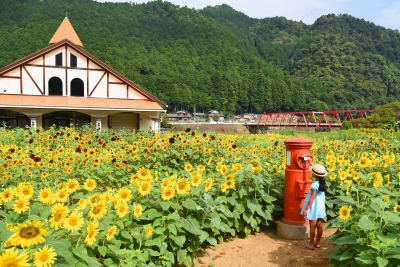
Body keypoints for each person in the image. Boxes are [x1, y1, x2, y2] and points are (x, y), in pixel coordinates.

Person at [300, 164, 327, 250]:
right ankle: (317, 243)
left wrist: (306, 209)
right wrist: (310, 163)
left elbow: (312, 198)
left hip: (314, 207)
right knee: (319, 225)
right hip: (320, 207)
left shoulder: (314, 185)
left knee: (312, 226)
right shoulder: (322, 183)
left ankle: (311, 244)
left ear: (314, 174)